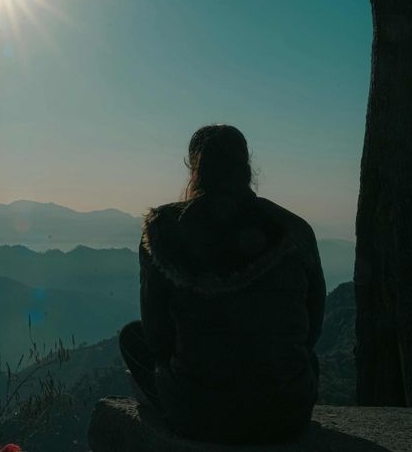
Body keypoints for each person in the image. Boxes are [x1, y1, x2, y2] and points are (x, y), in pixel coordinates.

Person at [119, 124, 325, 443]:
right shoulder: (294, 228)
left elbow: (158, 336)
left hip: (198, 414)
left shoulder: (163, 231)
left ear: (194, 169)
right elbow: (312, 326)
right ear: (247, 166)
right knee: (303, 358)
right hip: (285, 412)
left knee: (132, 338)